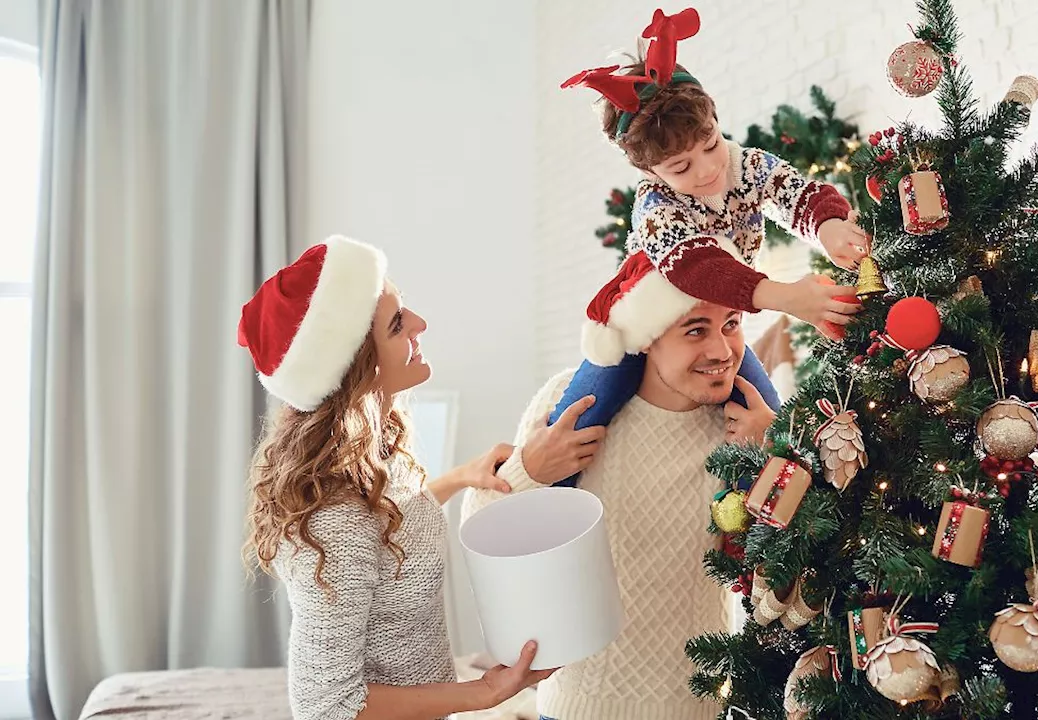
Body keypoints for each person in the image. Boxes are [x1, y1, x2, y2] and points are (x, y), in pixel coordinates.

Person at [239, 236, 554, 720]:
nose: (420, 325)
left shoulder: (367, 457)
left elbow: (382, 533)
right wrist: (485, 693)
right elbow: (326, 706)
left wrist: (460, 478)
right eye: (396, 324)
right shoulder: (335, 520)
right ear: (355, 369)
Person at [463, 253, 779, 720]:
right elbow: (482, 533)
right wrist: (531, 468)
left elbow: (789, 567)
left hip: (701, 708)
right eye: (695, 330)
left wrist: (771, 458)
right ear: (647, 338)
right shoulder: (568, 405)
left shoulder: (747, 426)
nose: (721, 350)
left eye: (731, 324)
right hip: (577, 708)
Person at [548, 6, 869, 444]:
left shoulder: (746, 166)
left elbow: (794, 193)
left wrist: (829, 226)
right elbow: (699, 269)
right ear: (651, 173)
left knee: (766, 410)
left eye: (712, 144)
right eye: (680, 167)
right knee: (579, 418)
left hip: (715, 319)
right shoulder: (655, 206)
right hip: (647, 324)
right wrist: (787, 297)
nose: (705, 170)